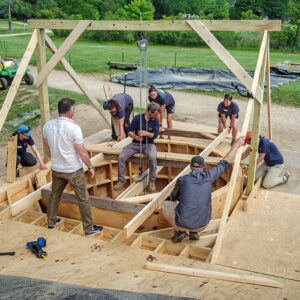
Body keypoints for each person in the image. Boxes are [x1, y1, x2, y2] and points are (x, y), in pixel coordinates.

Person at [161, 136, 245, 243]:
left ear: (190, 167)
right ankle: (194, 232)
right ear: (204, 167)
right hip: (203, 224)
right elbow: (225, 162)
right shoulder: (209, 176)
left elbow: (173, 198)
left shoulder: (182, 180)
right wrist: (237, 144)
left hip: (183, 222)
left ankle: (180, 231)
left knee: (165, 205)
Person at [43, 98, 103, 237]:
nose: (74, 111)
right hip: (73, 170)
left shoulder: (48, 125)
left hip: (57, 169)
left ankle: (51, 222)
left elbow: (48, 149)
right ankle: (88, 229)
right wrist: (90, 166)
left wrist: (56, 160)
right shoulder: (74, 127)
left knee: (54, 196)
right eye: (74, 109)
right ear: (70, 111)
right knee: (83, 199)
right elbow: (81, 151)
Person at [114, 102, 161, 193]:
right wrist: (136, 137)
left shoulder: (155, 121)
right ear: (148, 112)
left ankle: (152, 181)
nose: (156, 116)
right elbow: (130, 132)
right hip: (135, 144)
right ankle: (121, 179)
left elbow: (155, 135)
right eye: (154, 114)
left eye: (157, 115)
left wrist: (146, 133)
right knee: (121, 156)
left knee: (152, 157)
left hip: (149, 144)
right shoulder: (137, 118)